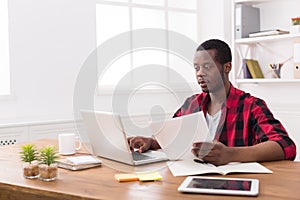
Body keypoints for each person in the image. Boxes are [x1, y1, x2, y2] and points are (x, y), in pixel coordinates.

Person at [128, 39, 296, 166]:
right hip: (192, 180)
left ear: (227, 67)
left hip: (236, 186)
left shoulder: (251, 106)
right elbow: (174, 138)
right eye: (196, 68)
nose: (200, 74)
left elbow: (285, 146)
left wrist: (230, 154)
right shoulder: (191, 104)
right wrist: (152, 142)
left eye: (207, 67)